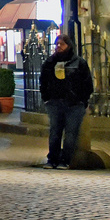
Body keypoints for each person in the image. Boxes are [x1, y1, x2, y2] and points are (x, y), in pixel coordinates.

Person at [39, 33, 94, 168]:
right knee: (55, 132)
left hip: (74, 104)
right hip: (55, 102)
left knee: (70, 134)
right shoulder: (50, 63)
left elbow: (87, 83)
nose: (58, 47)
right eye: (57, 44)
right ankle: (52, 159)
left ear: (69, 46)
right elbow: (43, 82)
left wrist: (83, 100)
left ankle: (66, 160)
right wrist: (47, 98)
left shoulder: (79, 63)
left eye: (61, 44)